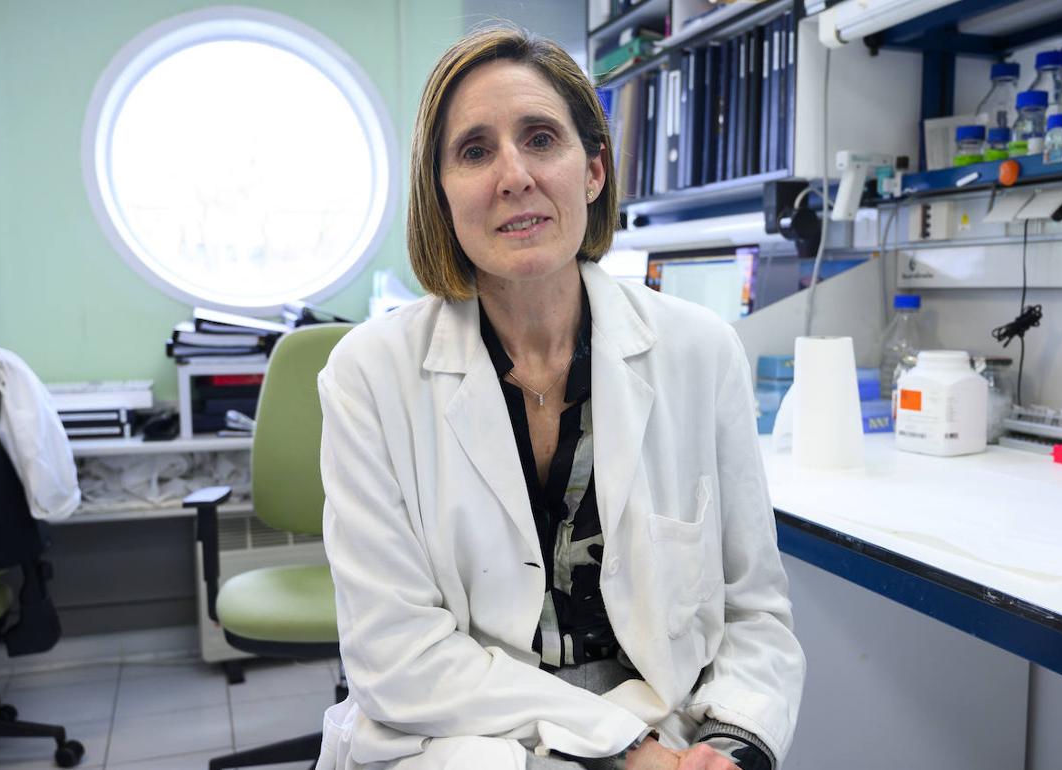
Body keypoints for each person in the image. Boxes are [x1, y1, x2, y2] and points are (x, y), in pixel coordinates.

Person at [316, 25, 805, 770]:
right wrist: (623, 749)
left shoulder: (700, 351)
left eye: (541, 138)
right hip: (458, 745)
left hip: (668, 735)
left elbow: (755, 612)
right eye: (475, 151)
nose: (513, 174)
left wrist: (730, 745)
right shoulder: (369, 376)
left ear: (594, 171)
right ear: (441, 193)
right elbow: (397, 658)